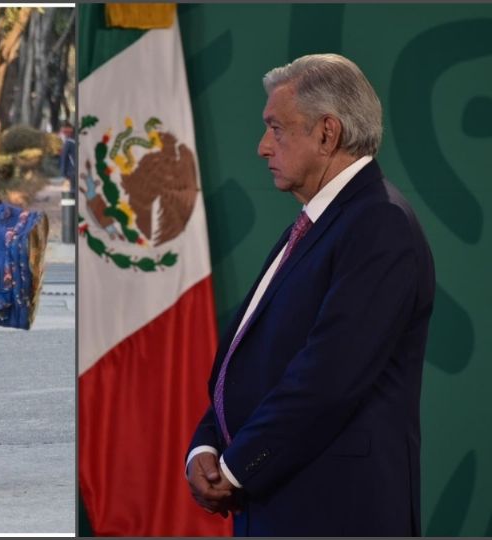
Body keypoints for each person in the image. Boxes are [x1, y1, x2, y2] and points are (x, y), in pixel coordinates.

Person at [185, 53, 435, 536]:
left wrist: (234, 470)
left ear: (327, 132)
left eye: (276, 128)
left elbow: (328, 377)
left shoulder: (379, 224)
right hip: (282, 502)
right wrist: (206, 446)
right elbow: (254, 362)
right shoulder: (323, 222)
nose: (262, 147)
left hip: (335, 512)